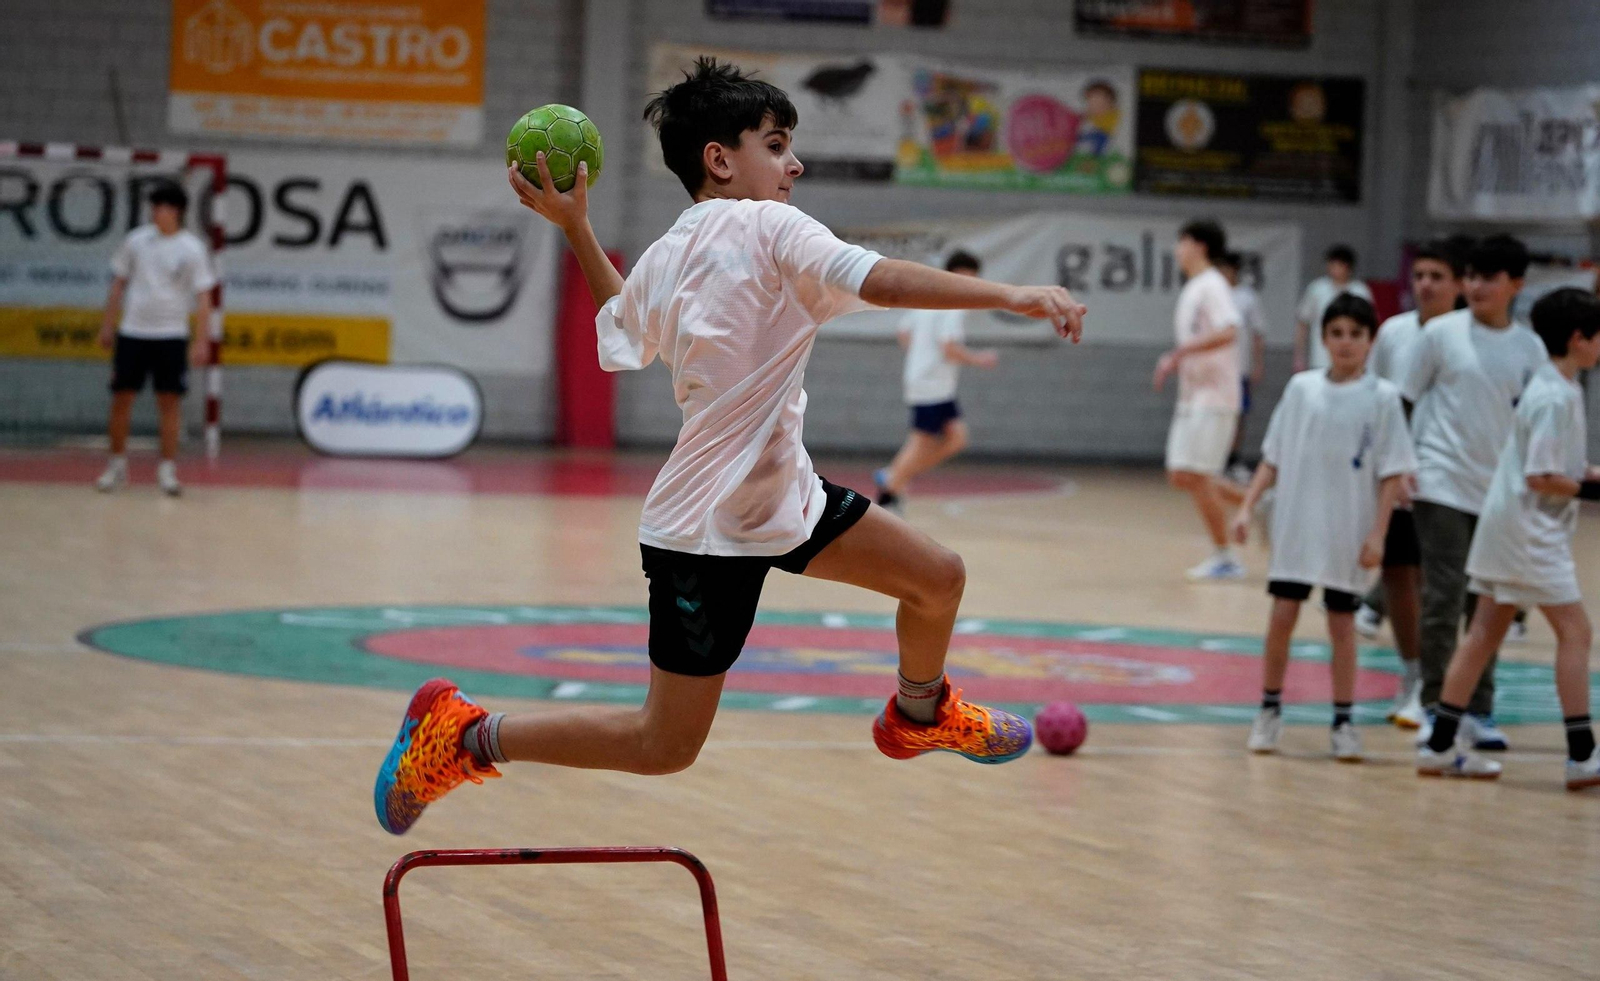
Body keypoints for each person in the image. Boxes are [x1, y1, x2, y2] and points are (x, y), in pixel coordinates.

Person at [372, 58, 1087, 835]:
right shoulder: (768, 224)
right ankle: (464, 734)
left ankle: (920, 712)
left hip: (783, 498)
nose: (795, 163)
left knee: (937, 578)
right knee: (663, 743)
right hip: (707, 528)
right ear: (720, 159)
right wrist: (1011, 294)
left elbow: (624, 325)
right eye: (777, 145)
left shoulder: (669, 251)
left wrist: (578, 228)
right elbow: (879, 281)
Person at [1417, 288, 1600, 788]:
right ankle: (1583, 755)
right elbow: (1543, 477)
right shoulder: (1555, 395)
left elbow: (1554, 465)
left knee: (1482, 634)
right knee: (1576, 633)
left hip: (1506, 528)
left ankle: (1439, 747)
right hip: (1528, 532)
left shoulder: (1554, 385)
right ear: (1580, 339)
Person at [1233, 295, 1415, 762]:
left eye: (1356, 334)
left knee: (1341, 625)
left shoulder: (1383, 398)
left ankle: (1343, 721)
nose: (1346, 342)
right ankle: (1269, 710)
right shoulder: (1302, 389)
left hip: (1347, 530)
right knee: (1282, 617)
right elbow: (1273, 456)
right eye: (1337, 333)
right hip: (1297, 525)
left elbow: (1393, 473)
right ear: (1324, 338)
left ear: (1370, 340)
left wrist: (1378, 532)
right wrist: (1246, 506)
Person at [1402, 234, 1546, 752]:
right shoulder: (1440, 335)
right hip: (1440, 483)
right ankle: (1435, 704)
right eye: (1473, 276)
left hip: (1500, 494)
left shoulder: (1531, 349)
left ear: (1516, 286)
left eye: (1490, 277)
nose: (1478, 286)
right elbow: (1402, 400)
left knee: (1490, 605)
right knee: (1443, 597)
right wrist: (1399, 470)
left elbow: (1535, 425)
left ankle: (1478, 709)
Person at [1354, 240, 1466, 729]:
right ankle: (1414, 675)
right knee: (1400, 577)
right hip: (1398, 478)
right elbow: (1375, 401)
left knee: (1446, 589)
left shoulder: (1467, 336)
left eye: (1437, 276)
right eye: (1419, 275)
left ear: (1459, 284)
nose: (1425, 284)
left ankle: (1452, 688)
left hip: (1454, 480)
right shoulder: (1394, 333)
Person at [94, 182, 215, 497]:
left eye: (161, 207)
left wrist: (201, 341)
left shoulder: (192, 249)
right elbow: (118, 284)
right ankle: (116, 466)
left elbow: (204, 298)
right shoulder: (136, 241)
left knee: (169, 403)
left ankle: (167, 471)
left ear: (175, 211)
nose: (155, 212)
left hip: (171, 335)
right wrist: (108, 325)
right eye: (153, 206)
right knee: (121, 398)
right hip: (133, 332)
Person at [1154, 219, 1248, 581]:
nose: (1177, 250)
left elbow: (1229, 330)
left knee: (1197, 473)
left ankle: (1225, 555)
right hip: (1194, 395)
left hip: (1215, 394)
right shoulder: (1195, 287)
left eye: (1182, 242)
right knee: (1181, 473)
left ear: (1200, 246)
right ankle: (1257, 502)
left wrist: (1179, 353)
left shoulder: (1213, 285)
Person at [873, 250, 998, 513]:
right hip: (931, 384)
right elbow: (949, 348)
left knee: (957, 438)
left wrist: (920, 357)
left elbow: (903, 333)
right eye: (970, 277)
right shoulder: (952, 304)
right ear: (959, 275)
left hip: (935, 384)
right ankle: (890, 490)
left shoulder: (928, 299)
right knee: (921, 442)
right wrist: (980, 359)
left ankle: (895, 475)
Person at [1215, 251, 1267, 480]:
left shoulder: (1247, 297)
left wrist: (1257, 363)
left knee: (1238, 414)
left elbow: (1257, 333)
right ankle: (1214, 459)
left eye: (1227, 269)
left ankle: (1233, 459)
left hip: (1240, 366)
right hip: (1217, 368)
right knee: (1216, 412)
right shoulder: (1213, 294)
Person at [1294, 244, 1374, 372]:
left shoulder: (1361, 291)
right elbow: (1303, 323)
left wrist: (1369, 357)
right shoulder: (1316, 289)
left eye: (1338, 265)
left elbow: (1370, 326)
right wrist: (1299, 357)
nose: (1334, 269)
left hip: (1354, 359)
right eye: (1331, 264)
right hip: (1320, 359)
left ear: (1348, 267)